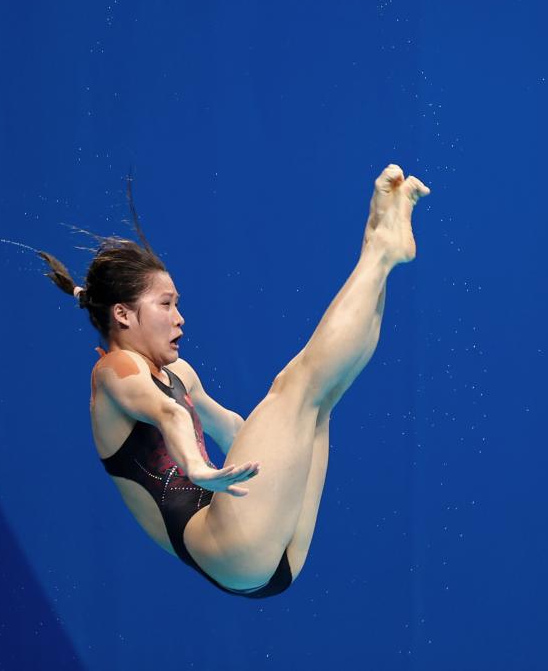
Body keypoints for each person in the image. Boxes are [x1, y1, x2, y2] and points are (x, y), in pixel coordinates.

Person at [40, 163, 429, 598]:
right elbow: (168, 413)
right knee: (295, 385)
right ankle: (379, 250)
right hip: (226, 543)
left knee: (321, 397)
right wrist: (197, 467)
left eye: (177, 304)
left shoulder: (179, 374)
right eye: (165, 305)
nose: (179, 318)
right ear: (123, 315)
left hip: (259, 550)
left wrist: (279, 454)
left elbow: (233, 429)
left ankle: (378, 244)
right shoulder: (113, 371)